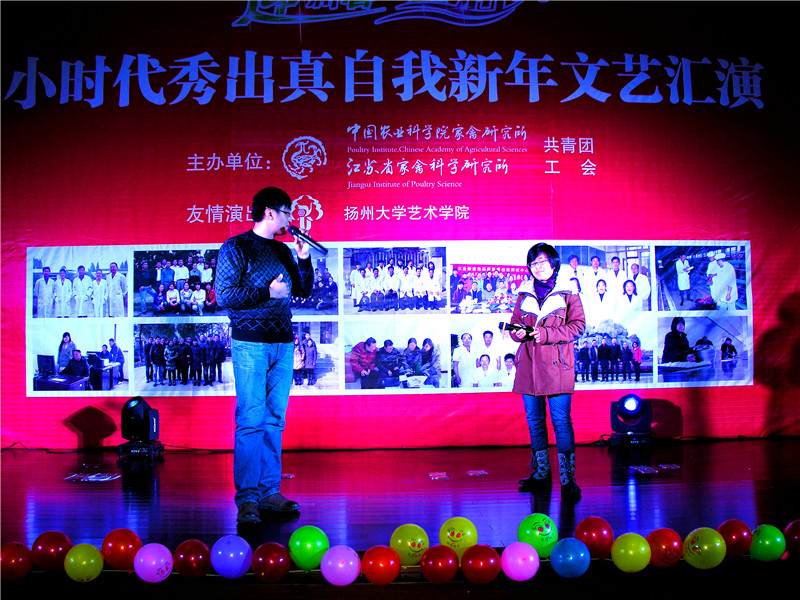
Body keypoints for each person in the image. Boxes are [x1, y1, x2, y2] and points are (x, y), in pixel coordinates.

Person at [215, 186, 313, 524]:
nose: (291, 218)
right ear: (270, 212)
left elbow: (304, 290)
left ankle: (270, 491)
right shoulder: (236, 247)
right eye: (287, 211)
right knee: (251, 419)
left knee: (274, 419)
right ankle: (247, 499)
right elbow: (225, 295)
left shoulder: (283, 250)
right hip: (250, 344)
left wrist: (303, 258)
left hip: (283, 342)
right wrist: (266, 292)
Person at [511, 243, 585, 500]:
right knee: (535, 422)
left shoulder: (568, 292)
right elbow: (514, 324)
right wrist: (518, 332)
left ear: (553, 263)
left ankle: (568, 480)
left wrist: (545, 334)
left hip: (557, 366)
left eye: (542, 262)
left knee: (561, 423)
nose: (538, 267)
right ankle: (541, 474)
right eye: (533, 263)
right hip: (529, 364)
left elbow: (578, 326)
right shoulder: (524, 294)